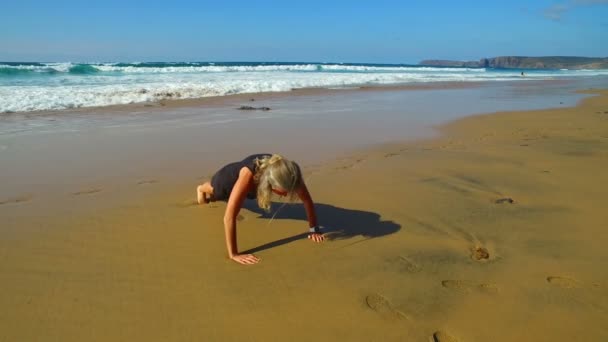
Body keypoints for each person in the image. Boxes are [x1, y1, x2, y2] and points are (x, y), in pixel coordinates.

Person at [197, 154, 324, 265]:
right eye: (282, 192)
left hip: (256, 180)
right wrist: (234, 254)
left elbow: (307, 200)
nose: (285, 195)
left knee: (243, 195)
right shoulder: (247, 176)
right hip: (227, 179)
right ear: (270, 184)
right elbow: (229, 217)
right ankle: (201, 189)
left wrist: (314, 229)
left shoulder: (288, 174)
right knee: (216, 193)